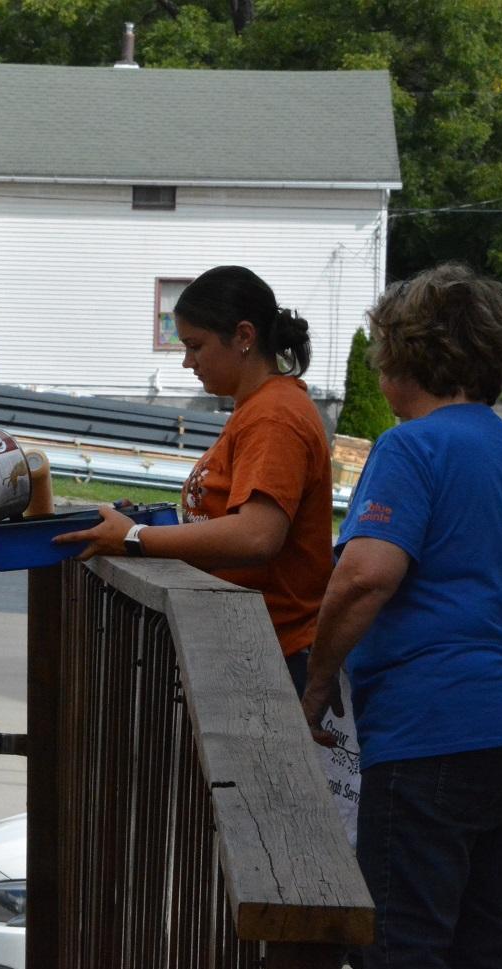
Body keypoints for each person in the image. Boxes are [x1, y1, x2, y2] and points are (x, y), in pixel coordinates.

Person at [299, 263, 502, 969]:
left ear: (401, 358)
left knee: (403, 947)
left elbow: (365, 576)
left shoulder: (410, 449)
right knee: (483, 944)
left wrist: (318, 683)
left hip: (434, 732)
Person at [56, 265, 333, 689]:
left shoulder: (275, 415)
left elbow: (257, 536)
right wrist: (146, 526)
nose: (187, 362)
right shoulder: (255, 409)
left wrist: (135, 540)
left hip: (275, 653)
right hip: (249, 642)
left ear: (243, 336)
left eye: (195, 346)